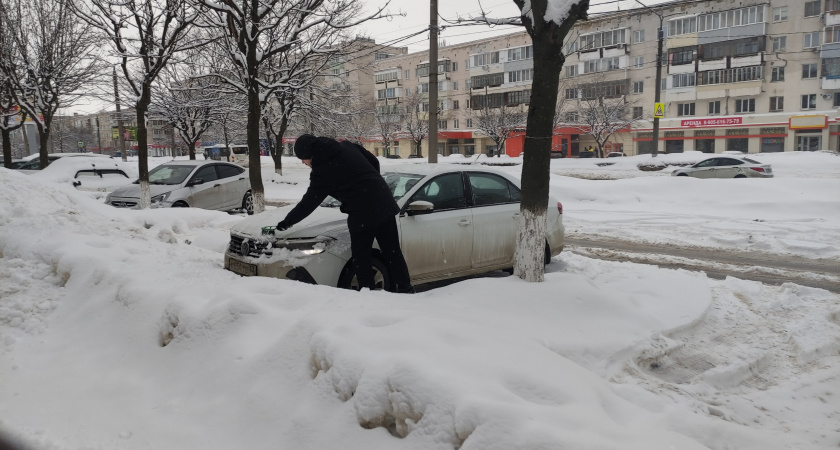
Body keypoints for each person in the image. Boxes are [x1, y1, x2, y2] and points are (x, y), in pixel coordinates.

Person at [275, 134, 415, 293]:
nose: (303, 162)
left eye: (303, 159)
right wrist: (370, 184)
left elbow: (309, 203)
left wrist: (287, 221)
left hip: (362, 212)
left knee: (361, 257)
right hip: (384, 202)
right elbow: (374, 161)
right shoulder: (346, 146)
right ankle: (406, 289)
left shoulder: (322, 170)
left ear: (310, 154)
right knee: (392, 251)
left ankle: (367, 293)